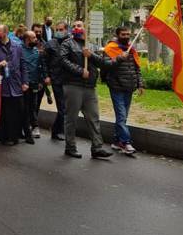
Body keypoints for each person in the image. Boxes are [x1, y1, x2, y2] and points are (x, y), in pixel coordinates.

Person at [60, 20, 116, 160]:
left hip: (90, 87)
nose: (75, 28)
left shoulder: (91, 45)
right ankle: (70, 147)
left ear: (85, 28)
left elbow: (103, 63)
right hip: (73, 85)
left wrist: (90, 55)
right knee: (71, 118)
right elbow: (63, 61)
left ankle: (97, 147)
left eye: (78, 26)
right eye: (73, 26)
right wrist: (80, 71)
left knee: (93, 118)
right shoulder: (67, 43)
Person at [103, 27, 144, 155]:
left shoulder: (131, 49)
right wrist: (120, 57)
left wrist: (140, 84)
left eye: (127, 34)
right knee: (121, 116)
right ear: (117, 35)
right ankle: (126, 142)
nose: (126, 36)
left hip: (129, 88)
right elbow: (106, 65)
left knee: (123, 117)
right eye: (123, 34)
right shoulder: (110, 49)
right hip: (117, 88)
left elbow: (136, 69)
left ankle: (116, 141)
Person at [0, 25, 28, 145]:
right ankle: (2, 136)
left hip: (16, 84)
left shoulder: (17, 47)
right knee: (2, 111)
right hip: (1, 85)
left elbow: (23, 65)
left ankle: (14, 136)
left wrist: (25, 82)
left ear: (5, 33)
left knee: (15, 112)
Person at [43, 21, 70, 140]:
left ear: (66, 30)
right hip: (56, 78)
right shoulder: (50, 44)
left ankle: (57, 130)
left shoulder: (70, 43)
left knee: (67, 107)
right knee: (62, 107)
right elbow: (44, 62)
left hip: (69, 80)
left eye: (61, 29)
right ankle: (57, 131)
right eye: (57, 30)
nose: (59, 32)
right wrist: (47, 76)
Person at [21, 31, 48, 144]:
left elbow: (40, 67)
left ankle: (31, 129)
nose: (36, 40)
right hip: (23, 85)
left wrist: (42, 80)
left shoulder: (37, 52)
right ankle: (26, 133)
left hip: (35, 84)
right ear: (27, 39)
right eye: (33, 38)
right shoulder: (19, 50)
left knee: (32, 107)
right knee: (24, 108)